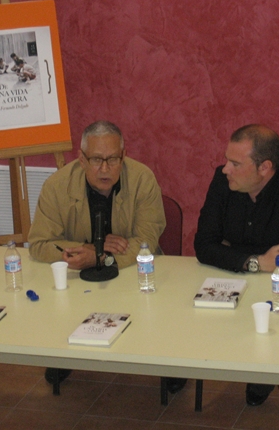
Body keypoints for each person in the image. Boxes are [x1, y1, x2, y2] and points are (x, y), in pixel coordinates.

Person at [28, 121, 187, 394]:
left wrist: (102, 257)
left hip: (133, 273)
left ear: (123, 156)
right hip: (80, 278)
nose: (105, 168)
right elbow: (39, 243)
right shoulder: (56, 186)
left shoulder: (142, 179)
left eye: (113, 159)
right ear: (81, 159)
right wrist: (89, 250)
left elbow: (147, 241)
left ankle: (167, 362)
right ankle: (63, 353)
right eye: (97, 160)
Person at [194, 124, 279, 407]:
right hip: (240, 278)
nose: (225, 168)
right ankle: (261, 370)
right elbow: (203, 245)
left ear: (264, 167)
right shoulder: (222, 181)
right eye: (227, 160)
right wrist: (255, 261)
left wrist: (232, 251)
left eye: (235, 163)